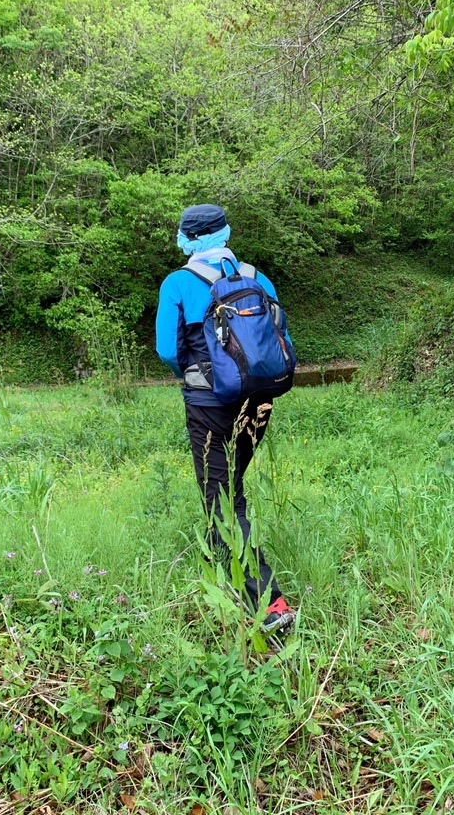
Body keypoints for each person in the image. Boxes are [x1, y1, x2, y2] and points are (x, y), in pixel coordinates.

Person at [155, 204, 295, 638]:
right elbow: (282, 337)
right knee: (227, 487)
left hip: (209, 404)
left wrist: (195, 378)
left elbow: (166, 349)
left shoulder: (178, 282)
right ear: (225, 233)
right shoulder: (257, 276)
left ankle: (271, 605)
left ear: (188, 239)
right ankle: (223, 566)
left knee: (223, 499)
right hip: (259, 400)